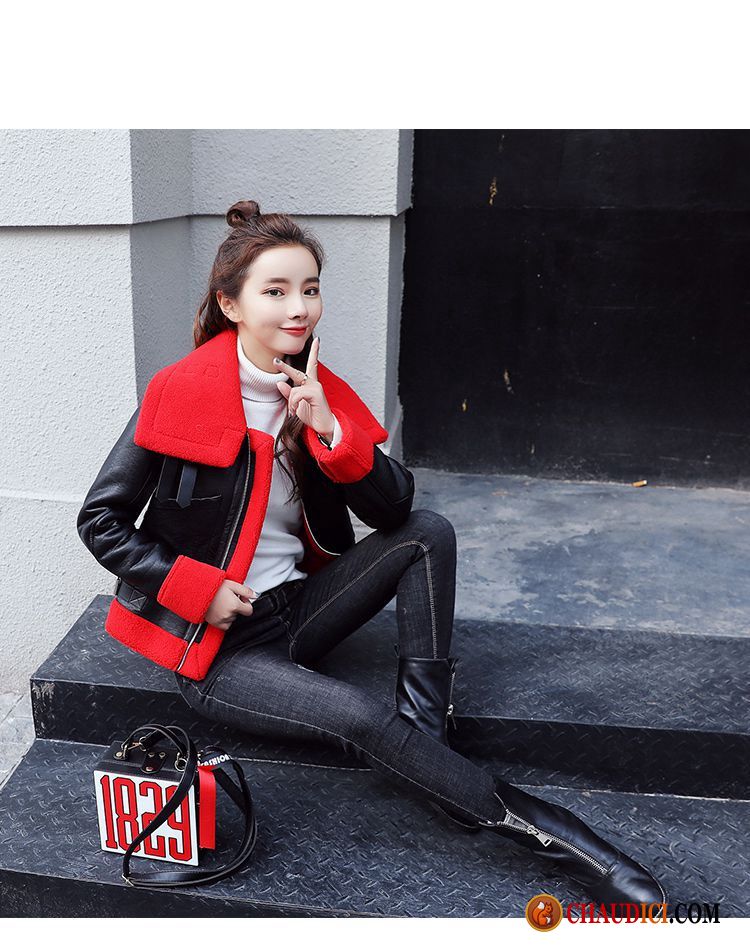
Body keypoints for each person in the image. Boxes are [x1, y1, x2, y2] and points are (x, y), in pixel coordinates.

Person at [77, 199, 666, 910]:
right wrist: (196, 588)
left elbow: (396, 511)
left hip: (299, 608)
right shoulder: (178, 394)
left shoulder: (316, 392)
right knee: (359, 717)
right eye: (276, 291)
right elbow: (100, 520)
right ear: (230, 304)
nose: (299, 308)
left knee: (429, 532)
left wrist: (330, 431)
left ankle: (425, 742)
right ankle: (570, 844)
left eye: (310, 289)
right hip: (221, 648)